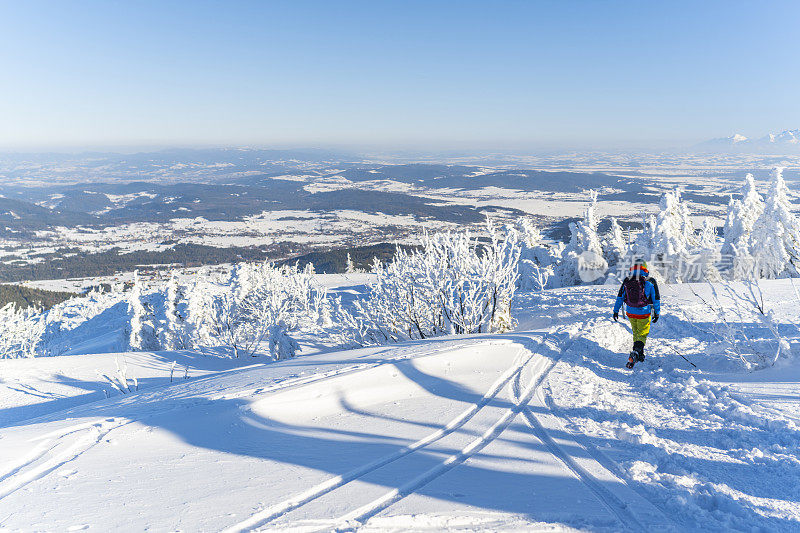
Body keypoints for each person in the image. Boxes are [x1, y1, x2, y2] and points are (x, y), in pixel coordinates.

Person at [613, 259, 660, 368]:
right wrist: (656, 313)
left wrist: (615, 311)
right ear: (645, 268)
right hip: (643, 312)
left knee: (636, 332)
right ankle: (636, 352)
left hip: (630, 312)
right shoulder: (650, 281)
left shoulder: (627, 280)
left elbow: (620, 297)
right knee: (642, 333)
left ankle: (640, 354)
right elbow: (656, 299)